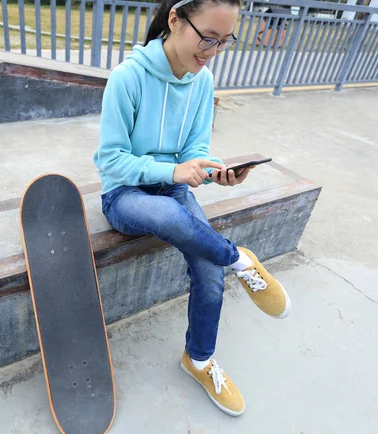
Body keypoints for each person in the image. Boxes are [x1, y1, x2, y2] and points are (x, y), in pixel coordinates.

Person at [93, 0, 291, 416]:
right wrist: (172, 170)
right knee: (171, 217)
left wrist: (213, 170)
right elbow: (110, 160)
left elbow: (194, 151)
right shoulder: (128, 78)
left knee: (208, 273)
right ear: (174, 20)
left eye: (223, 41)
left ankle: (198, 360)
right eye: (206, 37)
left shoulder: (203, 80)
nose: (212, 50)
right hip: (125, 194)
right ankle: (239, 258)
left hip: (175, 186)